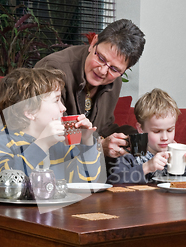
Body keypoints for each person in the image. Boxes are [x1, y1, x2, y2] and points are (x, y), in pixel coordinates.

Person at [34, 19, 145, 159]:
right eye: (101, 58)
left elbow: (104, 128)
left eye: (115, 69)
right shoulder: (53, 69)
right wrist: (98, 147)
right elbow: (47, 135)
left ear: (125, 70)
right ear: (93, 43)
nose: (103, 71)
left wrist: (141, 139)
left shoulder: (114, 81)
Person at [0, 67, 105, 190]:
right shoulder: (3, 141)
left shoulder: (62, 141)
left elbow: (86, 182)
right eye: (56, 100)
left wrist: (87, 141)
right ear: (29, 111)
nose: (63, 108)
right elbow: (5, 185)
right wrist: (42, 144)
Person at [107, 88, 186, 184]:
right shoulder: (132, 156)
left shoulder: (183, 156)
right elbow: (114, 182)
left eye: (170, 130)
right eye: (156, 131)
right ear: (140, 128)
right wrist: (146, 167)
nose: (165, 137)